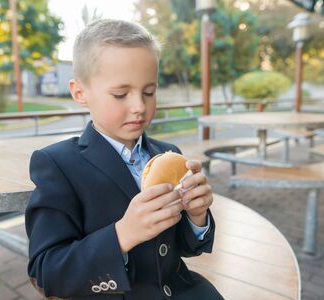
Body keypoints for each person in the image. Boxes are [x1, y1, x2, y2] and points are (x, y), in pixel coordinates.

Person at [25, 19, 223, 300]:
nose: (139, 107)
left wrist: (196, 215)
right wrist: (122, 235)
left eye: (149, 92)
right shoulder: (57, 164)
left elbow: (184, 248)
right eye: (120, 94)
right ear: (80, 92)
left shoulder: (169, 154)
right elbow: (47, 272)